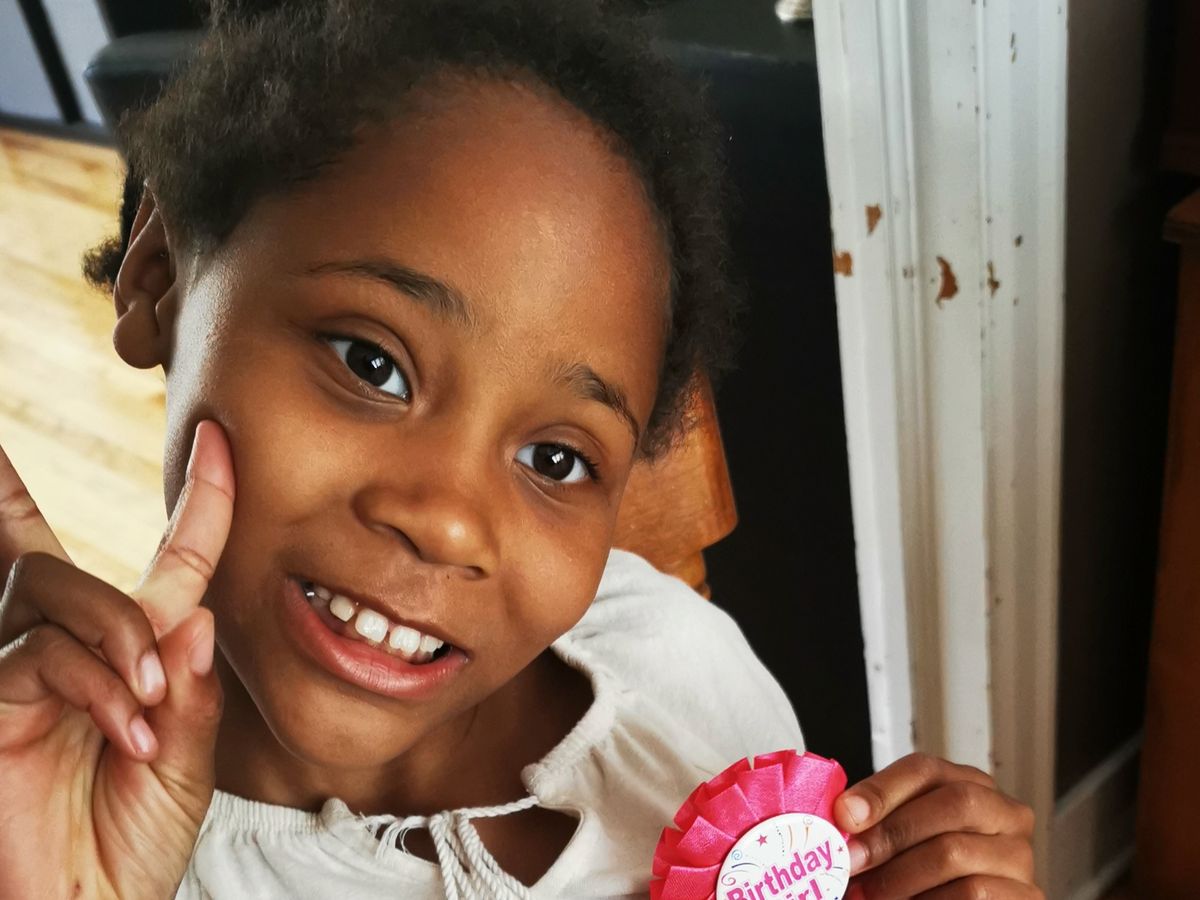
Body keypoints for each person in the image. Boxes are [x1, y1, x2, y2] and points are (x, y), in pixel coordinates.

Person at [0, 1, 1040, 897]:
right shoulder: (75, 843)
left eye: (555, 460)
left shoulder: (683, 680)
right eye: (371, 364)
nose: (451, 522)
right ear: (160, 274)